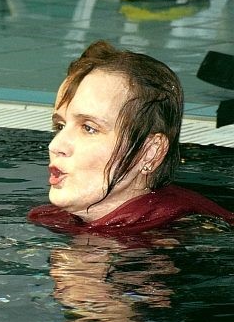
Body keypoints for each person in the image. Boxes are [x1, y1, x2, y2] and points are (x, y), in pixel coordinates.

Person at [28, 40, 234, 236]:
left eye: (89, 128)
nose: (55, 145)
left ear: (149, 152)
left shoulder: (176, 236)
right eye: (60, 126)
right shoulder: (53, 219)